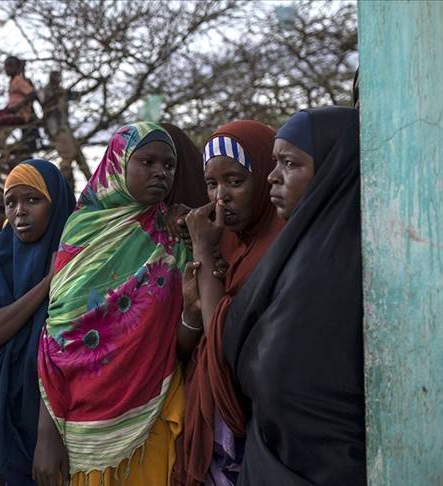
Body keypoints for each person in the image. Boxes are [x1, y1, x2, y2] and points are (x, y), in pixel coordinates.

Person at [36, 122, 193, 486]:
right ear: (118, 163)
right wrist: (46, 432)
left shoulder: (176, 233)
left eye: (169, 165)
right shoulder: (82, 230)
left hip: (152, 409)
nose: (160, 172)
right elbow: (57, 335)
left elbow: (182, 336)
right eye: (147, 161)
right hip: (80, 419)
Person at [222, 107, 365, 485]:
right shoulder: (296, 250)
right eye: (275, 162)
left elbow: (293, 388)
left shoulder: (338, 265)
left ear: (333, 170)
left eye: (290, 163)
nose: (272, 176)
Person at [172, 121, 283, 486]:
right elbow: (190, 346)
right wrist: (191, 312)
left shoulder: (280, 247)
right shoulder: (227, 242)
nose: (220, 197)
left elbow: (225, 345)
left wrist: (203, 250)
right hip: (213, 429)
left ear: (266, 177)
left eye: (235, 181)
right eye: (211, 184)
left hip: (259, 435)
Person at [0, 159, 75, 485]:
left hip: (67, 428)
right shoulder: (0, 258)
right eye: (11, 202)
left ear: (56, 205)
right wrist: (46, 284)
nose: (19, 212)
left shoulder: (81, 259)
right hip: (9, 427)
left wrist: (48, 435)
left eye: (32, 199)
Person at [0, 56, 37, 128]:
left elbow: (32, 93)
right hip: (10, 111)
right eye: (6, 66)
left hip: (20, 114)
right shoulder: (12, 82)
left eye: (10, 66)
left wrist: (18, 106)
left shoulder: (18, 80)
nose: (7, 69)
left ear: (17, 67)